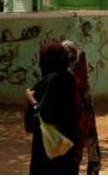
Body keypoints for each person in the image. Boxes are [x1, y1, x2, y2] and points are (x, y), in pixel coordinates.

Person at [24, 41, 80, 175]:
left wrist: (30, 99)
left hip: (48, 149)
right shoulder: (70, 78)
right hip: (67, 144)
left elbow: (45, 115)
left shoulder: (51, 81)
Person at [62, 40, 102, 175]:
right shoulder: (81, 76)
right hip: (85, 119)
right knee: (89, 152)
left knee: (73, 158)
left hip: (76, 121)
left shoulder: (67, 77)